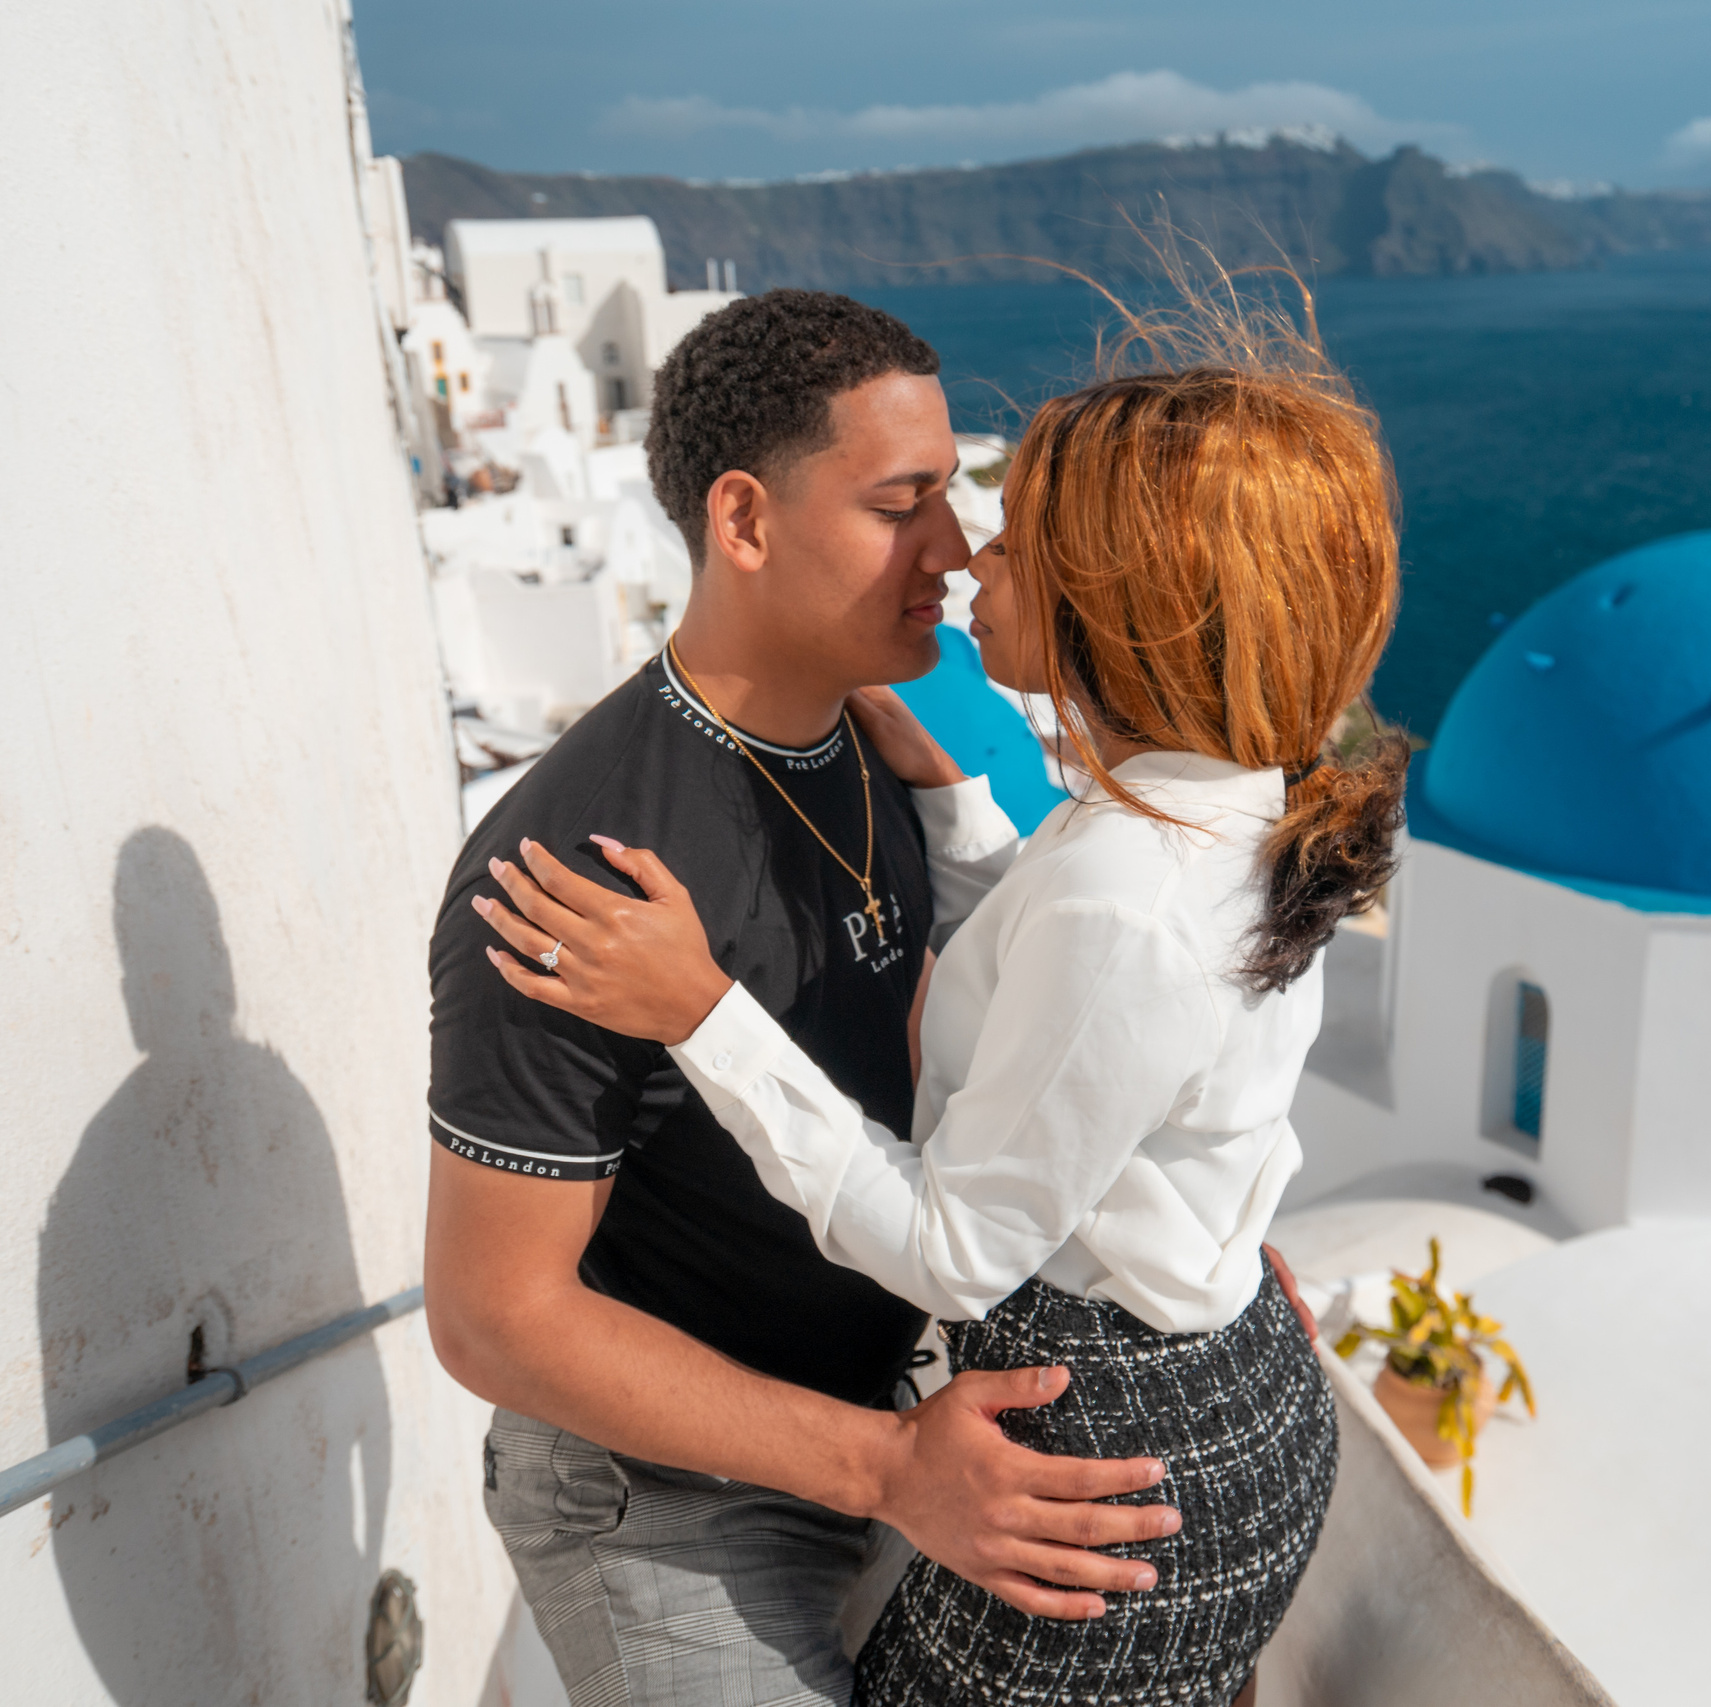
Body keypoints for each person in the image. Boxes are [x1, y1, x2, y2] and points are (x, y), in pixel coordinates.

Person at [476, 291, 1408, 1705]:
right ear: (746, 521)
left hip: (1084, 1456)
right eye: (915, 503)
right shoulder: (1222, 810)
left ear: (1130, 600)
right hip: (1197, 1408)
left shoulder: (1119, 878)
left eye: (1009, 534)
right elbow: (1078, 1005)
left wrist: (702, 1010)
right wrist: (961, 824)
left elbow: (972, 1227)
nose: (970, 555)